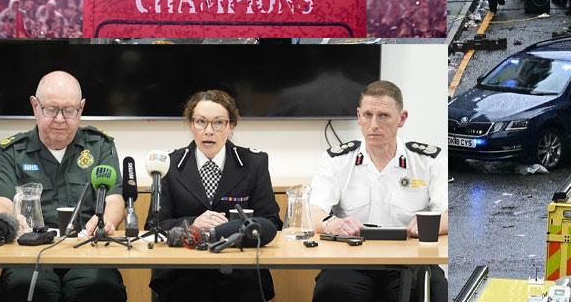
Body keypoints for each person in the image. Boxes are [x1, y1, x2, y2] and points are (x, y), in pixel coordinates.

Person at [309, 81, 447, 302]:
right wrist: (330, 223)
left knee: (434, 288)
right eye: (367, 115)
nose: (374, 124)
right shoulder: (337, 160)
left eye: (383, 116)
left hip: (410, 259)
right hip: (351, 261)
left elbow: (451, 212)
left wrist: (434, 224)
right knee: (332, 289)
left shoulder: (427, 161)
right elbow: (313, 211)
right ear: (358, 116)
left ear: (402, 119)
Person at [0, 71, 127, 302]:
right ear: (35, 106)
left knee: (99, 288)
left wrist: (106, 221)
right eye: (51, 109)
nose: (59, 119)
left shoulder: (100, 146)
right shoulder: (10, 152)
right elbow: (2, 203)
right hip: (29, 252)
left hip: (86, 249)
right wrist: (14, 223)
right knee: (24, 287)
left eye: (69, 110)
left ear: (81, 108)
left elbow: (114, 198)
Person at [149, 90, 282, 302]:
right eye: (201, 122)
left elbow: (272, 222)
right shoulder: (170, 164)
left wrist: (228, 229)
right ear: (191, 125)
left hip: (240, 269)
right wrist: (194, 223)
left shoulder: (253, 163)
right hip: (182, 272)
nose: (209, 131)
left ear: (231, 126)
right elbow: (155, 225)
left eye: (218, 123)